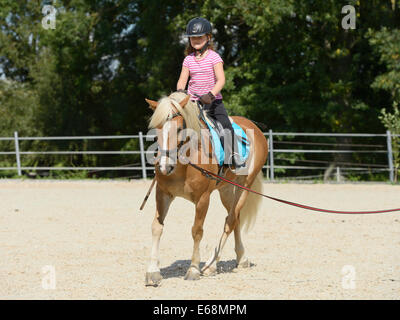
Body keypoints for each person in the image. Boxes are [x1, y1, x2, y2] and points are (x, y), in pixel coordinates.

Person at [176, 17, 243, 169]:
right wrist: (180, 93)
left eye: (200, 37)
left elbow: (221, 80)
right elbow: (182, 81)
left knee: (225, 125)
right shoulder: (188, 60)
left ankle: (233, 155)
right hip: (192, 103)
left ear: (208, 37)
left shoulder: (214, 57)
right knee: (177, 125)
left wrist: (210, 95)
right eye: (193, 37)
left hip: (213, 103)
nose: (196, 40)